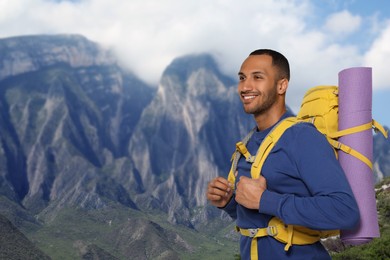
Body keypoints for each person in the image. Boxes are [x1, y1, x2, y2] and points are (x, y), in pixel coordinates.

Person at [206, 49, 360, 259]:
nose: (245, 87)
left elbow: (345, 211)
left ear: (282, 85)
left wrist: (265, 200)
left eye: (257, 77)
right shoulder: (248, 144)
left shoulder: (302, 137)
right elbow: (256, 220)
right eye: (242, 78)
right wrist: (229, 202)